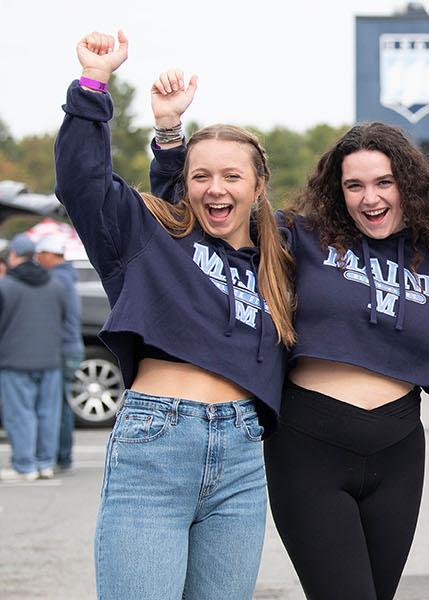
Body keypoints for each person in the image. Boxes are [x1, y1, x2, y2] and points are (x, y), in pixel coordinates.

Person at [146, 72, 429, 600]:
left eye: (384, 182)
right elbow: (205, 212)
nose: (370, 197)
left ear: (408, 184)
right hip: (311, 445)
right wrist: (171, 135)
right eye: (354, 185)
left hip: (400, 449)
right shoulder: (300, 237)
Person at [56, 30, 296, 598]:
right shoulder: (148, 236)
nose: (215, 188)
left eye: (231, 176)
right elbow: (81, 184)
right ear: (185, 185)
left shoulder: (280, 257)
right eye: (200, 176)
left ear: (259, 185)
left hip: (242, 458)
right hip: (157, 440)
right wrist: (94, 84)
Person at [0, 234, 72, 482]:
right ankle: (46, 463)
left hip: (14, 359)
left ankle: (26, 464)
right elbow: (64, 319)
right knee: (48, 414)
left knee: (20, 414)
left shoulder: (5, 286)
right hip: (50, 359)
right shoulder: (55, 285)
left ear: (13, 256)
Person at [34, 234, 83, 474]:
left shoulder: (54, 279)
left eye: (39, 255)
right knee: (62, 403)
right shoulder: (67, 276)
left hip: (61, 348)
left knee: (57, 404)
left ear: (48, 255)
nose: (37, 260)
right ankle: (63, 455)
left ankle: (60, 456)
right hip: (72, 346)